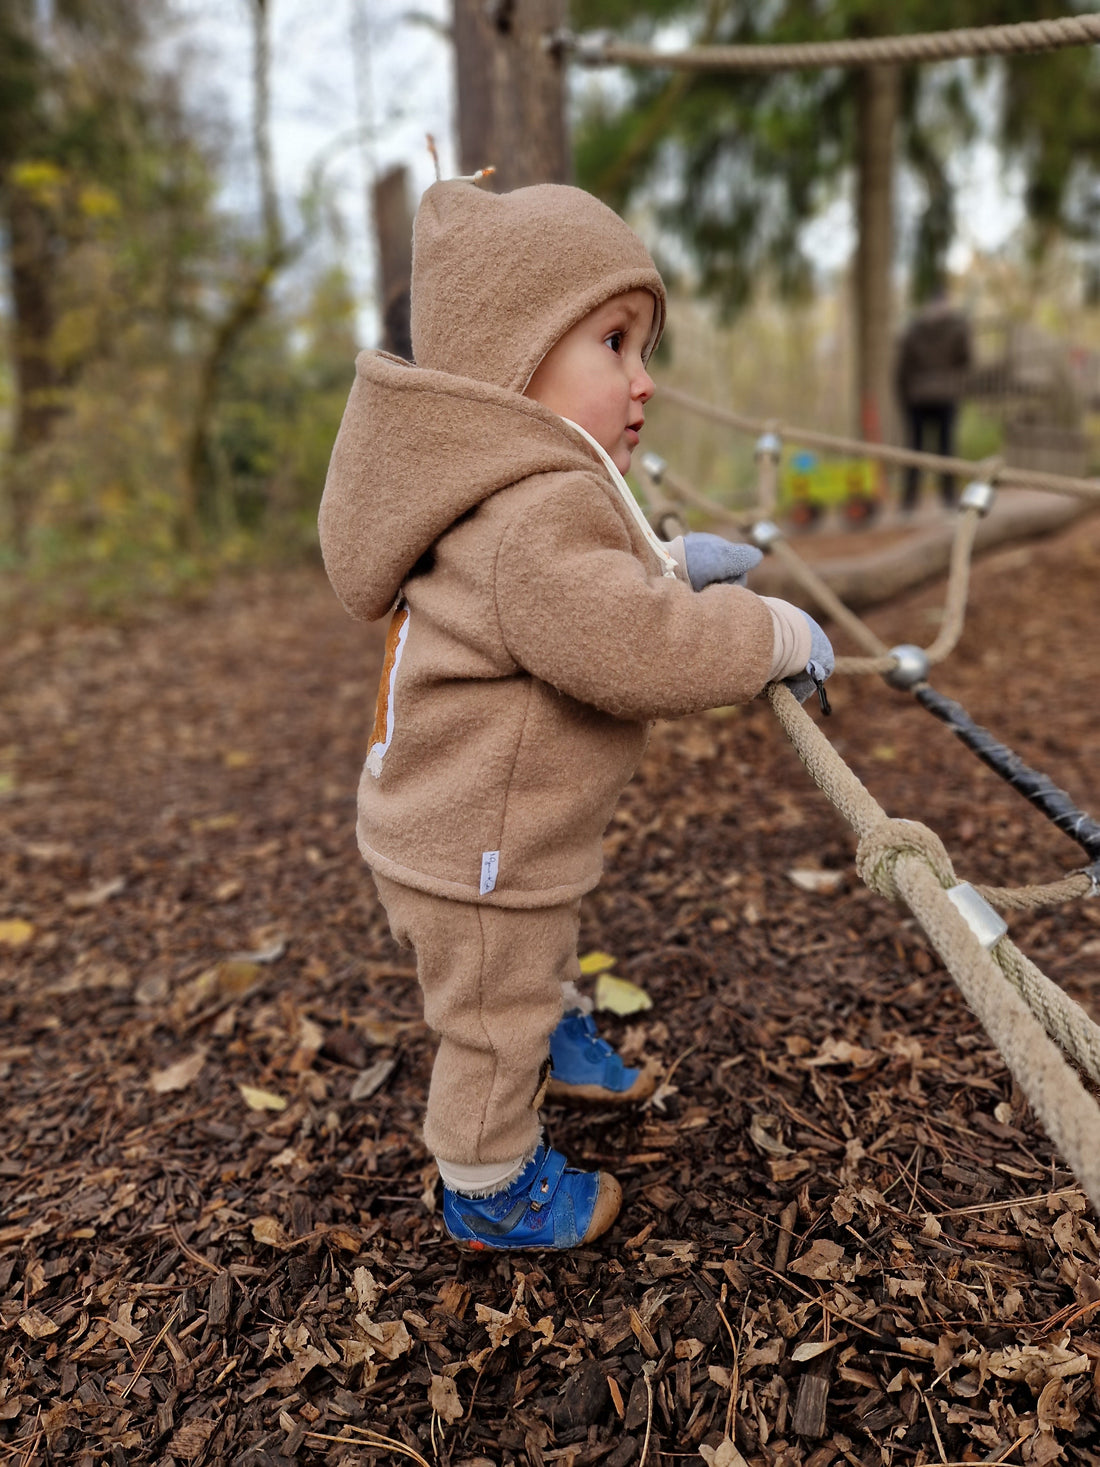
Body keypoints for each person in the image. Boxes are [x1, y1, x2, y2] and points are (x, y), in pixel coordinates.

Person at [319, 178, 834, 1252]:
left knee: (529, 950)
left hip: (474, 829)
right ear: (515, 361)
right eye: (612, 341)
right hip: (471, 851)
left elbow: (584, 591)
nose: (643, 382)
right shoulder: (533, 511)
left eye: (643, 347)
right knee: (487, 1021)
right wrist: (766, 633)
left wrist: (674, 563)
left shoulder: (518, 492)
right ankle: (486, 1182)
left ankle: (549, 1027)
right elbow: (630, 645)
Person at [895, 292, 972, 512]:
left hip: (929, 397)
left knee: (932, 449)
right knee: (928, 449)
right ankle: (917, 501)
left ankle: (917, 502)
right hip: (927, 398)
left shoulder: (951, 329)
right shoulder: (950, 328)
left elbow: (966, 361)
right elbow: (966, 362)